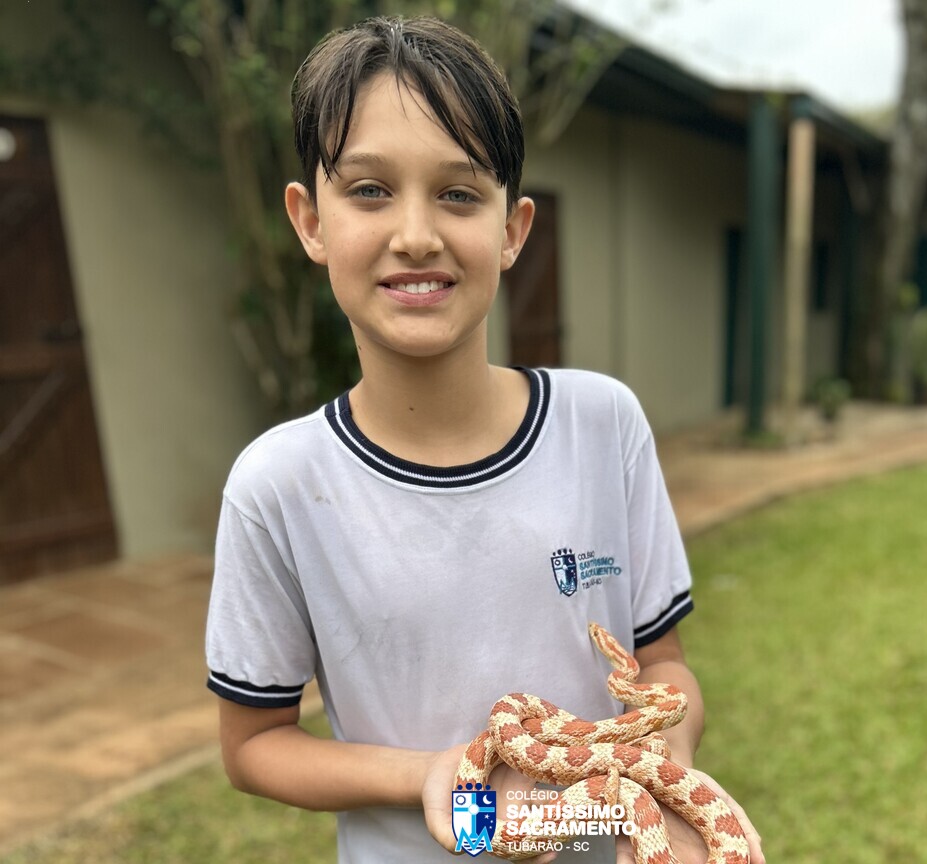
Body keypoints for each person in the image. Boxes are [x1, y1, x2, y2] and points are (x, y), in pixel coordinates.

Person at [204, 15, 764, 864]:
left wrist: (664, 782)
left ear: (512, 230)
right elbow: (252, 746)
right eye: (369, 190)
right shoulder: (276, 484)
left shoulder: (603, 424)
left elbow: (663, 670)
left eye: (459, 194)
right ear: (310, 221)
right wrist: (434, 775)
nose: (416, 235)